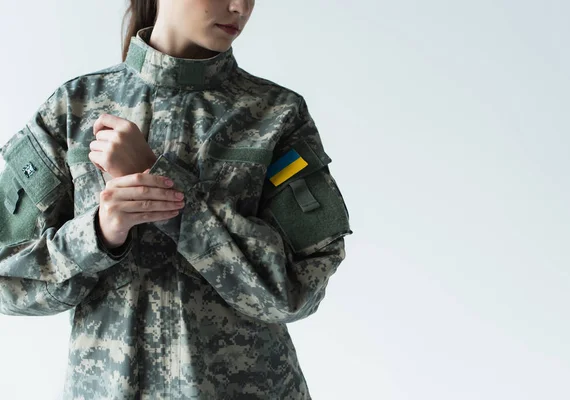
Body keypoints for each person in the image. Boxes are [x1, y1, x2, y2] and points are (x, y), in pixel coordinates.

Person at [0, 0, 353, 398]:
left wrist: (162, 180)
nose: (240, 7)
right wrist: (98, 235)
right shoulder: (73, 109)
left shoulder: (276, 115)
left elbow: (296, 290)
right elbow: (6, 277)